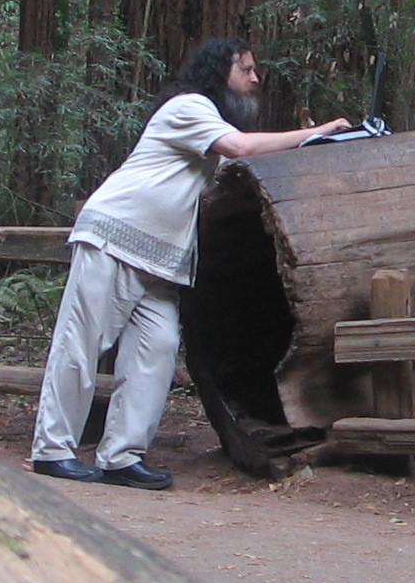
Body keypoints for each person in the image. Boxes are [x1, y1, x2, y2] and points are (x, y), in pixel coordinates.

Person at [30, 38, 350, 489]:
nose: (255, 79)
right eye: (247, 69)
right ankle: (51, 450)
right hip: (115, 239)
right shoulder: (188, 106)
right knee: (82, 345)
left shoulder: (207, 127)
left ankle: (120, 456)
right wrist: (316, 132)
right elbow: (240, 147)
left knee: (155, 354)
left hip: (161, 263)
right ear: (221, 72)